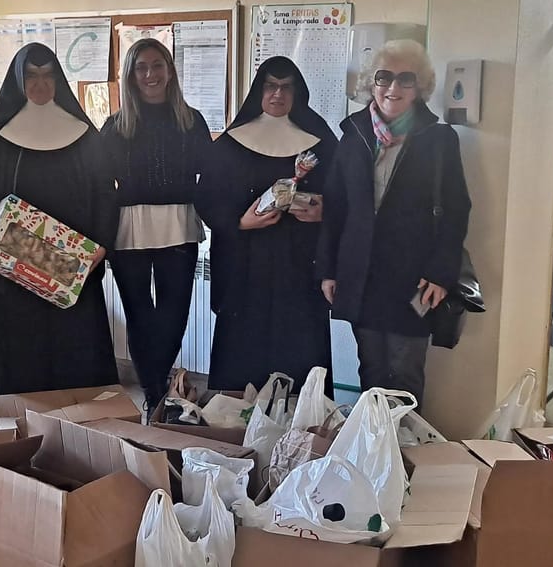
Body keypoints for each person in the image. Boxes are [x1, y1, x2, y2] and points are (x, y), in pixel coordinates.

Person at [315, 39, 471, 407]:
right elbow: (335, 207)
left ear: (420, 88)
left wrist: (441, 273)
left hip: (414, 278)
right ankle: (372, 453)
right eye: (384, 77)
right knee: (369, 369)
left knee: (405, 373)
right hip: (361, 273)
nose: (393, 88)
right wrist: (328, 269)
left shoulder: (438, 139)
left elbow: (456, 209)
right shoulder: (353, 135)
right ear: (372, 82)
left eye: (406, 79)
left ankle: (402, 453)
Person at [0, 43, 118, 396]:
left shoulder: (84, 135)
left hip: (72, 266)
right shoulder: (0, 138)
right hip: (14, 269)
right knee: (21, 356)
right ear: (19, 81)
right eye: (31, 76)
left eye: (47, 74)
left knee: (75, 353)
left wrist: (102, 246)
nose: (40, 84)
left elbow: (106, 196)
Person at [196, 56, 337, 396]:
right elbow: (206, 199)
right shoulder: (231, 143)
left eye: (286, 87)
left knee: (300, 350)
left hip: (301, 267)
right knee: (244, 350)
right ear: (259, 90)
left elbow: (346, 197)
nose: (278, 94)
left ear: (297, 92)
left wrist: (323, 211)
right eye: (270, 86)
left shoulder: (322, 142)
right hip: (247, 267)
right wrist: (238, 221)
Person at [101, 38, 211, 413]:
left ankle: (157, 387)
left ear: (169, 69)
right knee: (140, 318)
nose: (150, 74)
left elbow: (210, 175)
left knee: (174, 316)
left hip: (179, 224)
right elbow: (99, 183)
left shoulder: (191, 120)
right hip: (128, 229)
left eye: (157, 65)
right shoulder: (115, 125)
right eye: (141, 67)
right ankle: (154, 396)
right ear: (130, 75)